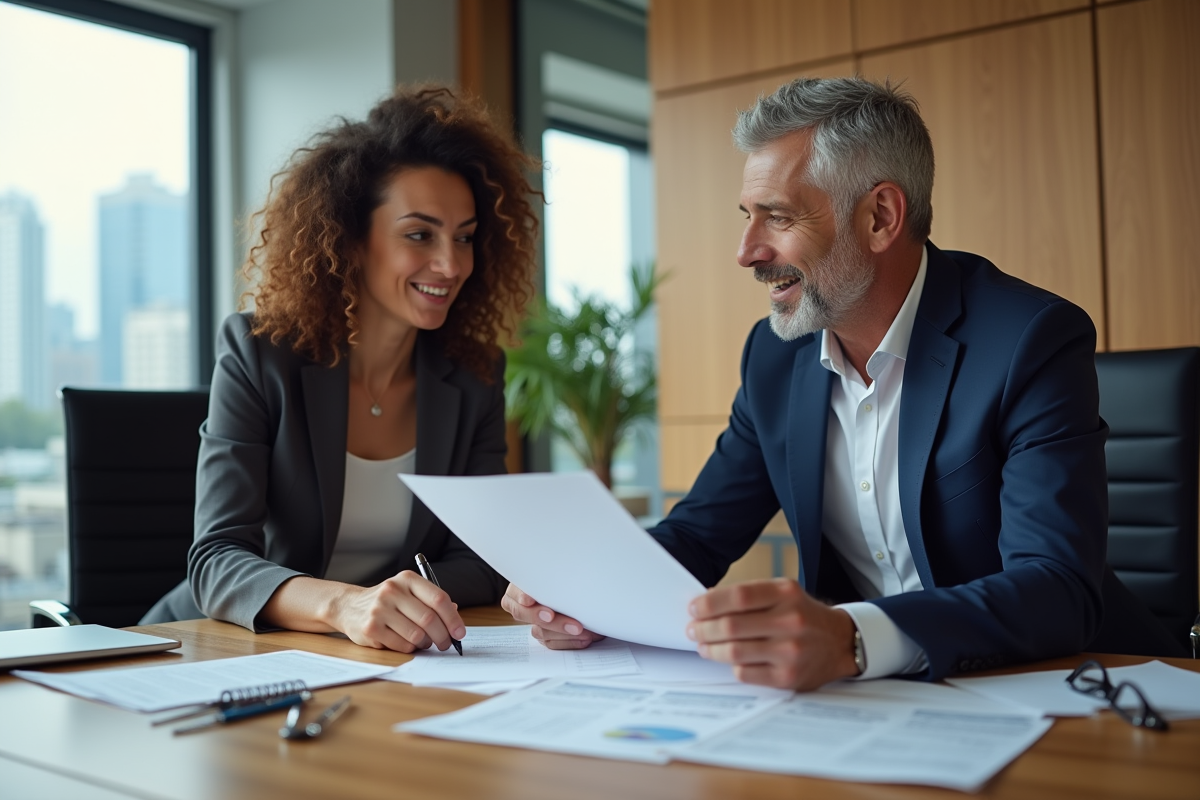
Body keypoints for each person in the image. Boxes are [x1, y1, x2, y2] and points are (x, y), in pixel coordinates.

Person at [504, 76, 1121, 687]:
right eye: (748, 216)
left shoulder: (1030, 340)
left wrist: (852, 638)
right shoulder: (774, 357)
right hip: (862, 705)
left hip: (1050, 688)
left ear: (880, 216)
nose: (746, 251)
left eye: (776, 217)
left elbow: (1057, 588)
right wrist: (585, 591)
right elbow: (698, 534)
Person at [143, 86, 539, 655]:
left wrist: (394, 605)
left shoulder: (473, 376)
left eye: (465, 238)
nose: (451, 264)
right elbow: (216, 561)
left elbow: (482, 558)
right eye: (419, 234)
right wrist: (346, 605)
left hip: (373, 658)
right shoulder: (260, 354)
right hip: (212, 648)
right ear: (353, 239)